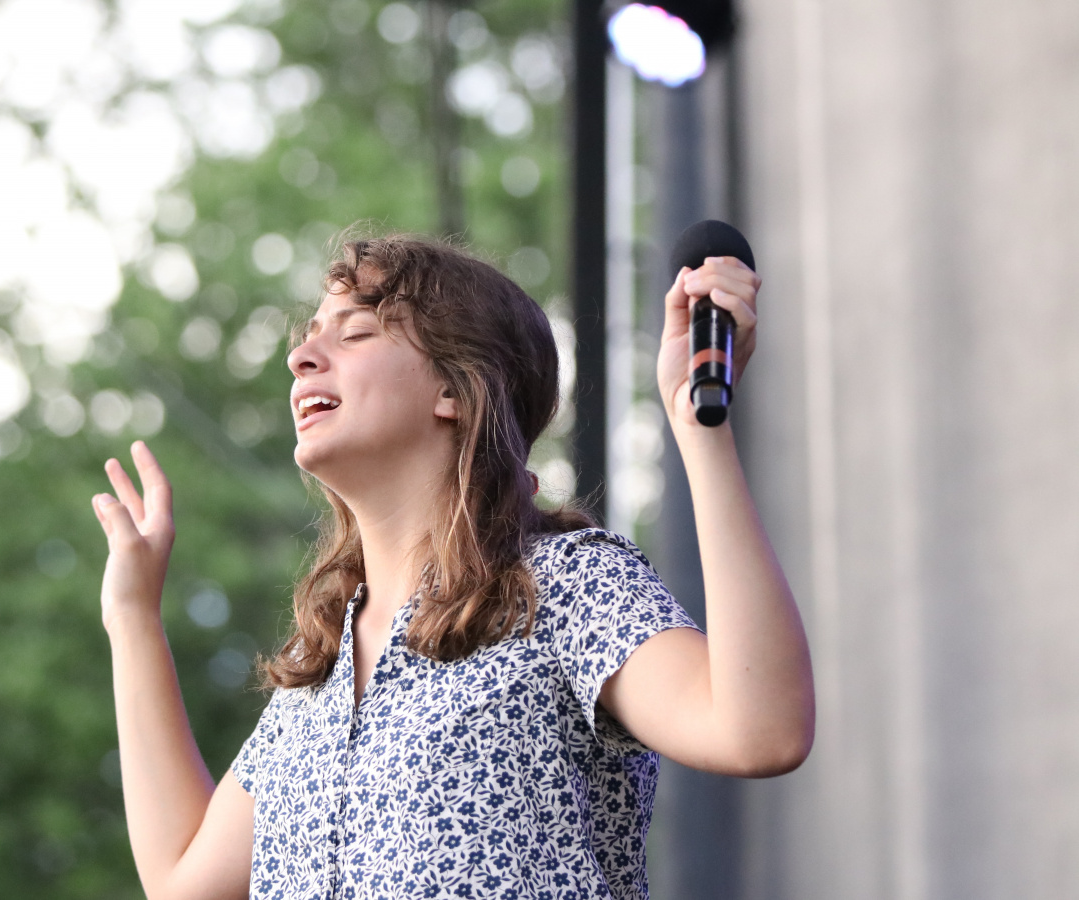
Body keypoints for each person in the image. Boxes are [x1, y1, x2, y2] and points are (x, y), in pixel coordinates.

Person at [90, 234, 815, 900]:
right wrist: (131, 617)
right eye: (307, 337)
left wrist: (698, 428)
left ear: (454, 390)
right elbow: (181, 881)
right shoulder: (317, 679)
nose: (300, 357)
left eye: (355, 332)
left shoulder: (560, 588)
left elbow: (761, 730)